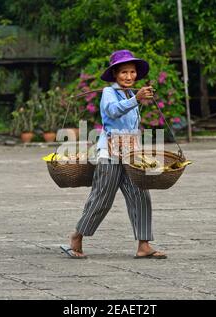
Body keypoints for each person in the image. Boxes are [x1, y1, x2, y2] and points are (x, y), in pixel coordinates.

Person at [60, 50, 167, 259]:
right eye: (124, 72)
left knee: (140, 195)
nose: (129, 77)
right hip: (109, 154)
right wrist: (136, 98)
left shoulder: (130, 94)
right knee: (102, 198)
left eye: (132, 72)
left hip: (131, 154)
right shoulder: (109, 92)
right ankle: (77, 236)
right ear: (115, 75)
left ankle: (143, 244)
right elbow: (112, 112)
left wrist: (135, 99)